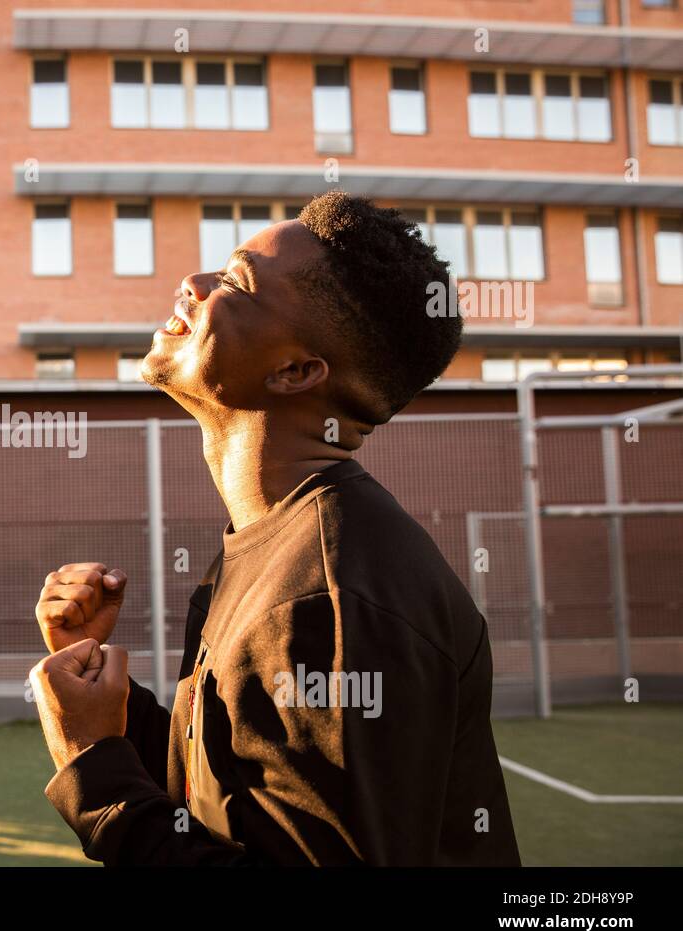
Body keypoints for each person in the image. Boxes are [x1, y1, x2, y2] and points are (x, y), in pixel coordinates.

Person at [28, 191, 521, 866]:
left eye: (233, 282)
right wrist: (107, 707)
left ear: (294, 371)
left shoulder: (327, 595)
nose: (192, 285)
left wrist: (91, 763)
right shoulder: (275, 542)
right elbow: (222, 795)